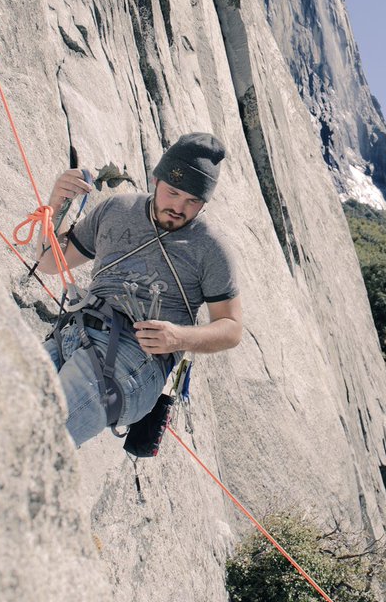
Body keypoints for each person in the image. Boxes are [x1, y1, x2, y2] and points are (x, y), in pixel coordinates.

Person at [37, 133, 243, 446]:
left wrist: (178, 337)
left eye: (193, 201)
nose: (178, 207)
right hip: (74, 334)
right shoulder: (117, 211)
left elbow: (231, 329)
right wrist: (57, 204)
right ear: (155, 179)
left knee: (38, 437)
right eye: (173, 192)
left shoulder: (210, 249)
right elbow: (52, 261)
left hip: (136, 361)